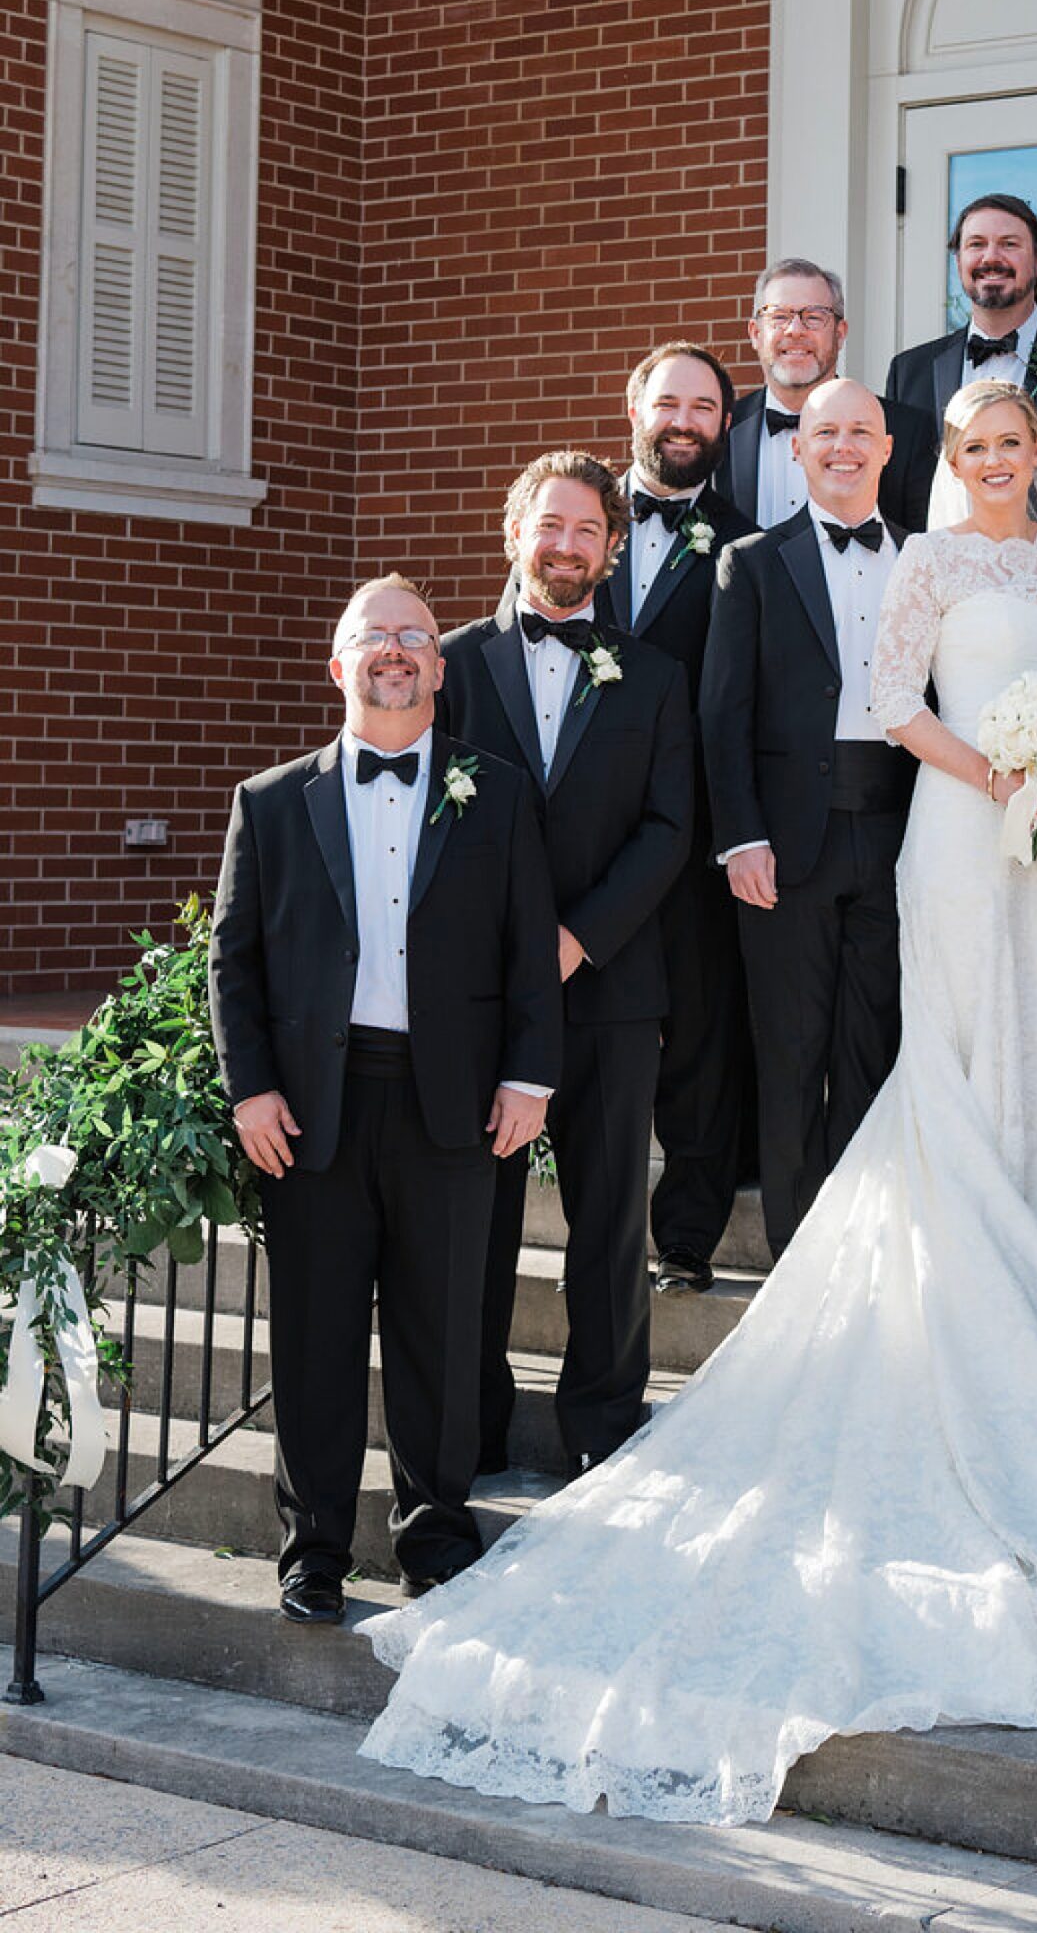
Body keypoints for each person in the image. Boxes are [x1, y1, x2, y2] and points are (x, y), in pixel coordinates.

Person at [358, 380, 1037, 1822]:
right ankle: (751, 1295)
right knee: (826, 1062)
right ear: (938, 456)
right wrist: (963, 778)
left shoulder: (1000, 558)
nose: (996, 462)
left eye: (1012, 445)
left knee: (1004, 1037)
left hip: (1001, 840)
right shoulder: (813, 562)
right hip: (930, 820)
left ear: (914, 455)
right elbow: (826, 711)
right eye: (980, 446)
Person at [209, 575, 560, 1624]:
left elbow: (529, 954)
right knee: (314, 1339)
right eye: (375, 636)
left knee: (441, 1336)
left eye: (413, 635)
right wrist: (252, 1090)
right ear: (340, 663)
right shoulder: (271, 802)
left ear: (439, 669)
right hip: (313, 1107)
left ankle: (435, 1537)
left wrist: (529, 1076)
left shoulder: (496, 794)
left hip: (452, 1104)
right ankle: (311, 1550)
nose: (395, 650)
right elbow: (232, 963)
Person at [440, 453, 693, 1479]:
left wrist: (578, 936)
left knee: (605, 1218)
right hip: (479, 998)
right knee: (476, 1224)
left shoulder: (657, 677)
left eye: (589, 530)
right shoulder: (450, 665)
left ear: (612, 549)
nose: (567, 545)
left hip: (612, 987)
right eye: (551, 525)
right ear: (514, 534)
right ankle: (470, 1425)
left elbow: (671, 828)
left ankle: (601, 1424)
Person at [700, 379, 912, 1258]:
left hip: (902, 834)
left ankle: (862, 1252)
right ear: (798, 447)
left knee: (875, 1051)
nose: (844, 446)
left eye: (862, 430)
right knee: (789, 1057)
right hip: (786, 842)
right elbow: (722, 711)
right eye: (827, 431)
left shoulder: (924, 556)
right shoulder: (750, 561)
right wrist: (741, 836)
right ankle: (795, 1263)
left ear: (888, 449)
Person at [598, 342, 756, 1298]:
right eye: (669, 402)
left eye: (704, 407)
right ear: (635, 409)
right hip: (583, 841)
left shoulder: (744, 546)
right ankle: (598, 1238)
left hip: (696, 839)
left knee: (700, 1038)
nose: (684, 420)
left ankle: (686, 1240)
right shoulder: (567, 521)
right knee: (599, 1048)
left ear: (724, 427)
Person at [720, 257, 937, 532]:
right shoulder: (722, 430)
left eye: (813, 317)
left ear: (840, 333)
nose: (795, 330)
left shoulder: (906, 430)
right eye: (779, 317)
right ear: (755, 333)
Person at [885, 192, 1037, 437]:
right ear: (958, 262)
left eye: (1009, 244)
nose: (991, 258)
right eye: (976, 244)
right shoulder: (908, 372)